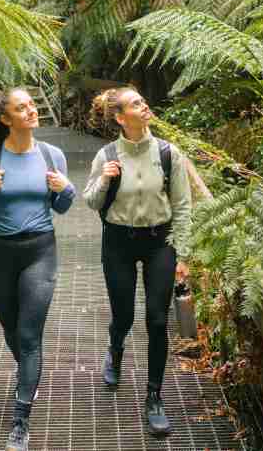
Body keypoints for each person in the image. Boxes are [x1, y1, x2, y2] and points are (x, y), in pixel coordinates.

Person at [0, 87, 75, 451]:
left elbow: (61, 208)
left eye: (31, 105)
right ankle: (31, 372)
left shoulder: (51, 154)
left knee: (29, 337)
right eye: (21, 108)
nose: (30, 111)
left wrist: (67, 190)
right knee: (12, 331)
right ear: (5, 118)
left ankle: (20, 420)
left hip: (39, 251)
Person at [83, 87, 191, 437]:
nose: (145, 106)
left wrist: (182, 253)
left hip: (160, 242)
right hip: (118, 243)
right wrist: (104, 180)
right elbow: (91, 201)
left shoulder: (167, 153)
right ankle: (115, 349)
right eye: (135, 104)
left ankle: (154, 397)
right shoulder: (107, 154)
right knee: (124, 315)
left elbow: (183, 206)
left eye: (144, 101)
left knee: (158, 321)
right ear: (119, 117)